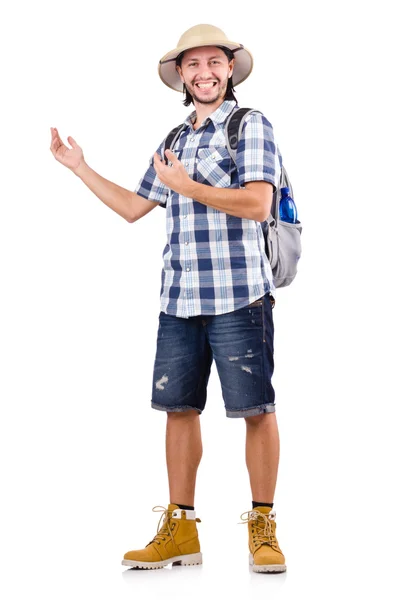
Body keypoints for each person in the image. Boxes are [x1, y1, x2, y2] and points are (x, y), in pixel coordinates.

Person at [49, 23, 286, 574]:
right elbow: (134, 208)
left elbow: (257, 203)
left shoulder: (251, 126)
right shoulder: (173, 142)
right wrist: (79, 167)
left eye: (214, 63)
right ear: (181, 75)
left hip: (240, 297)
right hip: (178, 299)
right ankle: (181, 530)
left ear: (230, 70)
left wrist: (190, 189)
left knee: (256, 410)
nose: (204, 73)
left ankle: (264, 526)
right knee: (178, 410)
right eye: (193, 64)